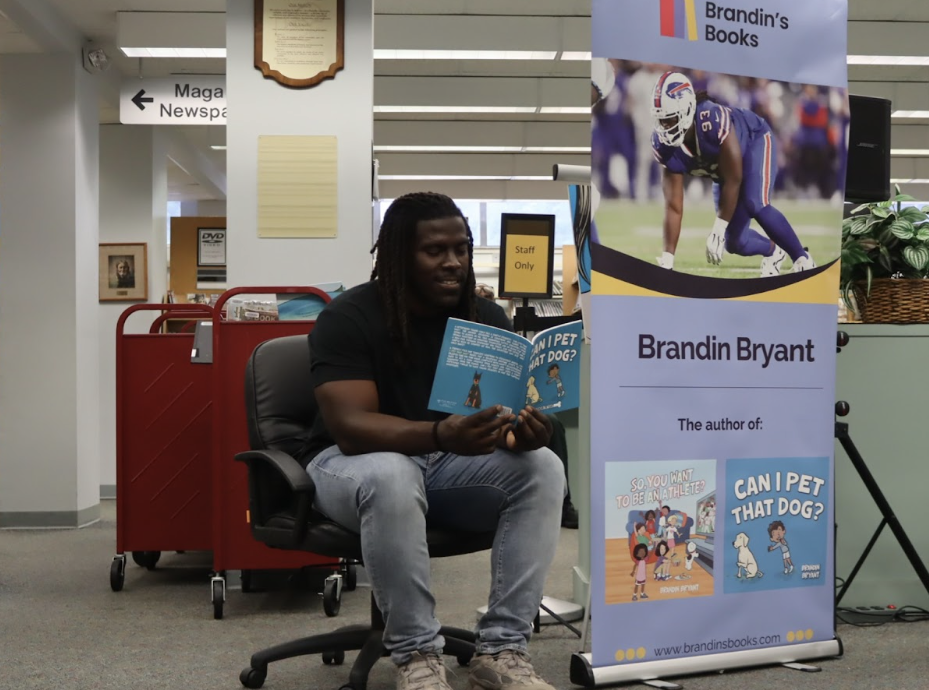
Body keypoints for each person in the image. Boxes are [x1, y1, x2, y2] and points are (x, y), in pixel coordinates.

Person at [301, 192, 565, 690]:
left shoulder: (485, 319)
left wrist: (528, 432)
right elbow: (351, 427)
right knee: (392, 471)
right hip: (345, 465)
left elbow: (499, 421)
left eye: (462, 249)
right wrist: (439, 434)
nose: (454, 263)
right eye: (435, 251)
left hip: (444, 465)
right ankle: (417, 654)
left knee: (544, 466)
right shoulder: (349, 317)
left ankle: (503, 649)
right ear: (399, 254)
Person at [650, 71, 815, 276]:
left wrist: (718, 228)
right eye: (661, 120)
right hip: (725, 172)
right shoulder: (664, 146)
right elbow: (674, 206)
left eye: (670, 119)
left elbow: (735, 178)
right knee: (735, 243)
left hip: (754, 141)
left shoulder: (710, 119)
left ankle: (803, 259)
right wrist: (667, 260)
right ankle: (774, 251)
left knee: (756, 203)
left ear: (686, 110)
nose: (664, 127)